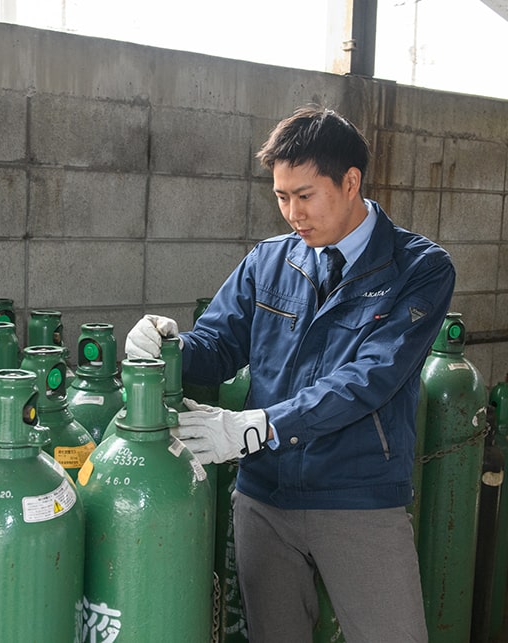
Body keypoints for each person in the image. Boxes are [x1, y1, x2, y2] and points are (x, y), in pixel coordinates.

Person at [125, 105, 455, 642]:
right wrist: (169, 346)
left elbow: (371, 375)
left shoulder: (418, 268)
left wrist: (256, 426)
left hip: (358, 498)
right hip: (265, 498)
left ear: (351, 182)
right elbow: (218, 345)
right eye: (281, 197)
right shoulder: (270, 261)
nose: (292, 214)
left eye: (304, 196)